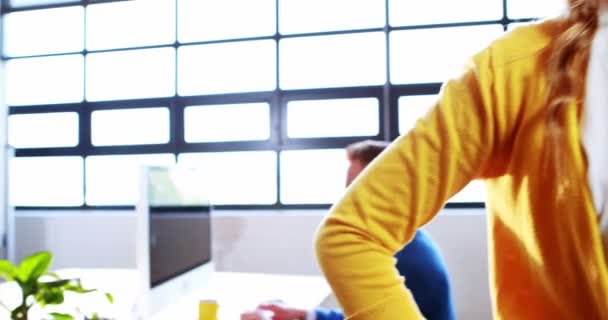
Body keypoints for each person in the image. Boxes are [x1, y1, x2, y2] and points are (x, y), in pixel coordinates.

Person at [314, 1, 608, 319]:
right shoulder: (518, 70)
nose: (345, 190)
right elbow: (352, 233)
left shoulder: (414, 255)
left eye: (352, 181)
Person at [241, 140, 454, 320]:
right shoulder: (405, 239)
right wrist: (306, 315)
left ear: (387, 188)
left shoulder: (406, 258)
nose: (346, 202)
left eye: (354, 190)